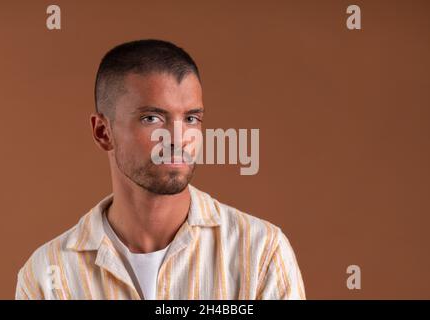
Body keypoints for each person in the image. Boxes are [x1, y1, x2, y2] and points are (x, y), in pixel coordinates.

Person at [15, 39, 305, 300]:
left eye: (191, 119)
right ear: (103, 131)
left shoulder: (261, 252)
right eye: (152, 118)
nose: (178, 139)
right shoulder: (47, 276)